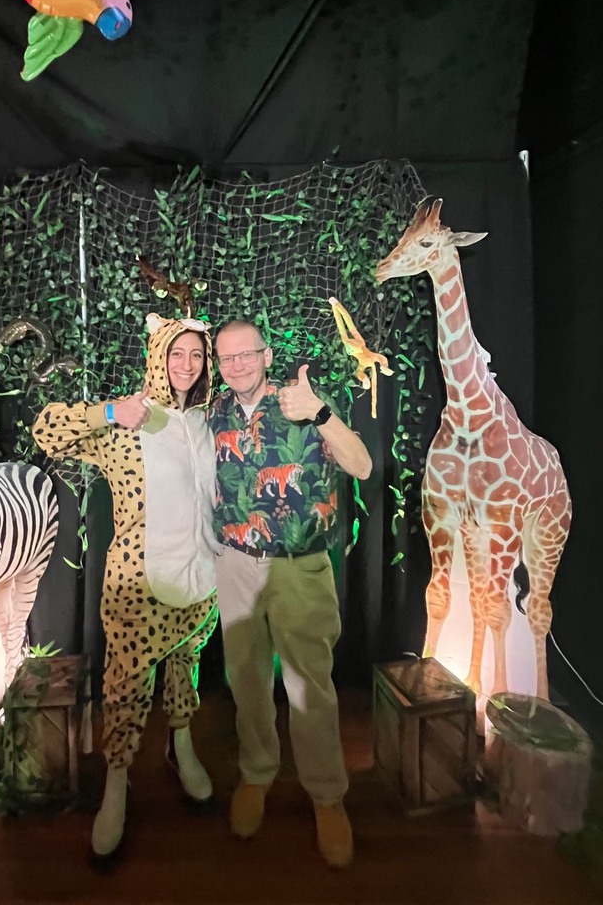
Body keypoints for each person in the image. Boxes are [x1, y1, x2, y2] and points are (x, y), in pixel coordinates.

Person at [32, 314, 219, 857]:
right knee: (128, 684)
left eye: (196, 355)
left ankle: (180, 745)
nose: (186, 365)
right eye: (175, 353)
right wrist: (109, 410)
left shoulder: (210, 420)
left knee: (187, 666)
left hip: (199, 579)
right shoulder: (129, 422)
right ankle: (117, 780)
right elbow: (47, 430)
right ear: (157, 357)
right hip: (138, 583)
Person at [208, 319, 372, 869]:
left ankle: (326, 795)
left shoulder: (302, 403)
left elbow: (363, 466)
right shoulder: (214, 416)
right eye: (226, 358)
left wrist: (322, 415)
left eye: (245, 355)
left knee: (310, 687)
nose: (237, 366)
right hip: (235, 566)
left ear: (266, 354)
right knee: (247, 680)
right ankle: (257, 773)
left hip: (300, 568)